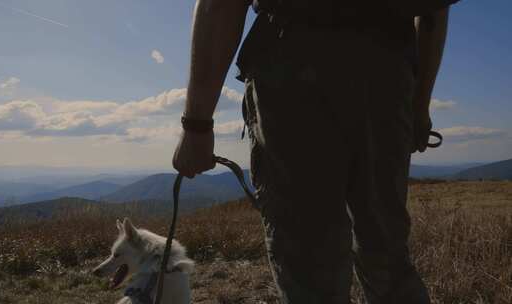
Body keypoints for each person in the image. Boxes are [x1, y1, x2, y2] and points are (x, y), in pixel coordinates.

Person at [172, 1, 460, 303]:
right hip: (387, 72)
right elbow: (434, 11)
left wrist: (196, 124)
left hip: (293, 70)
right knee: (386, 250)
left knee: (308, 263)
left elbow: (220, 6)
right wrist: (419, 104)